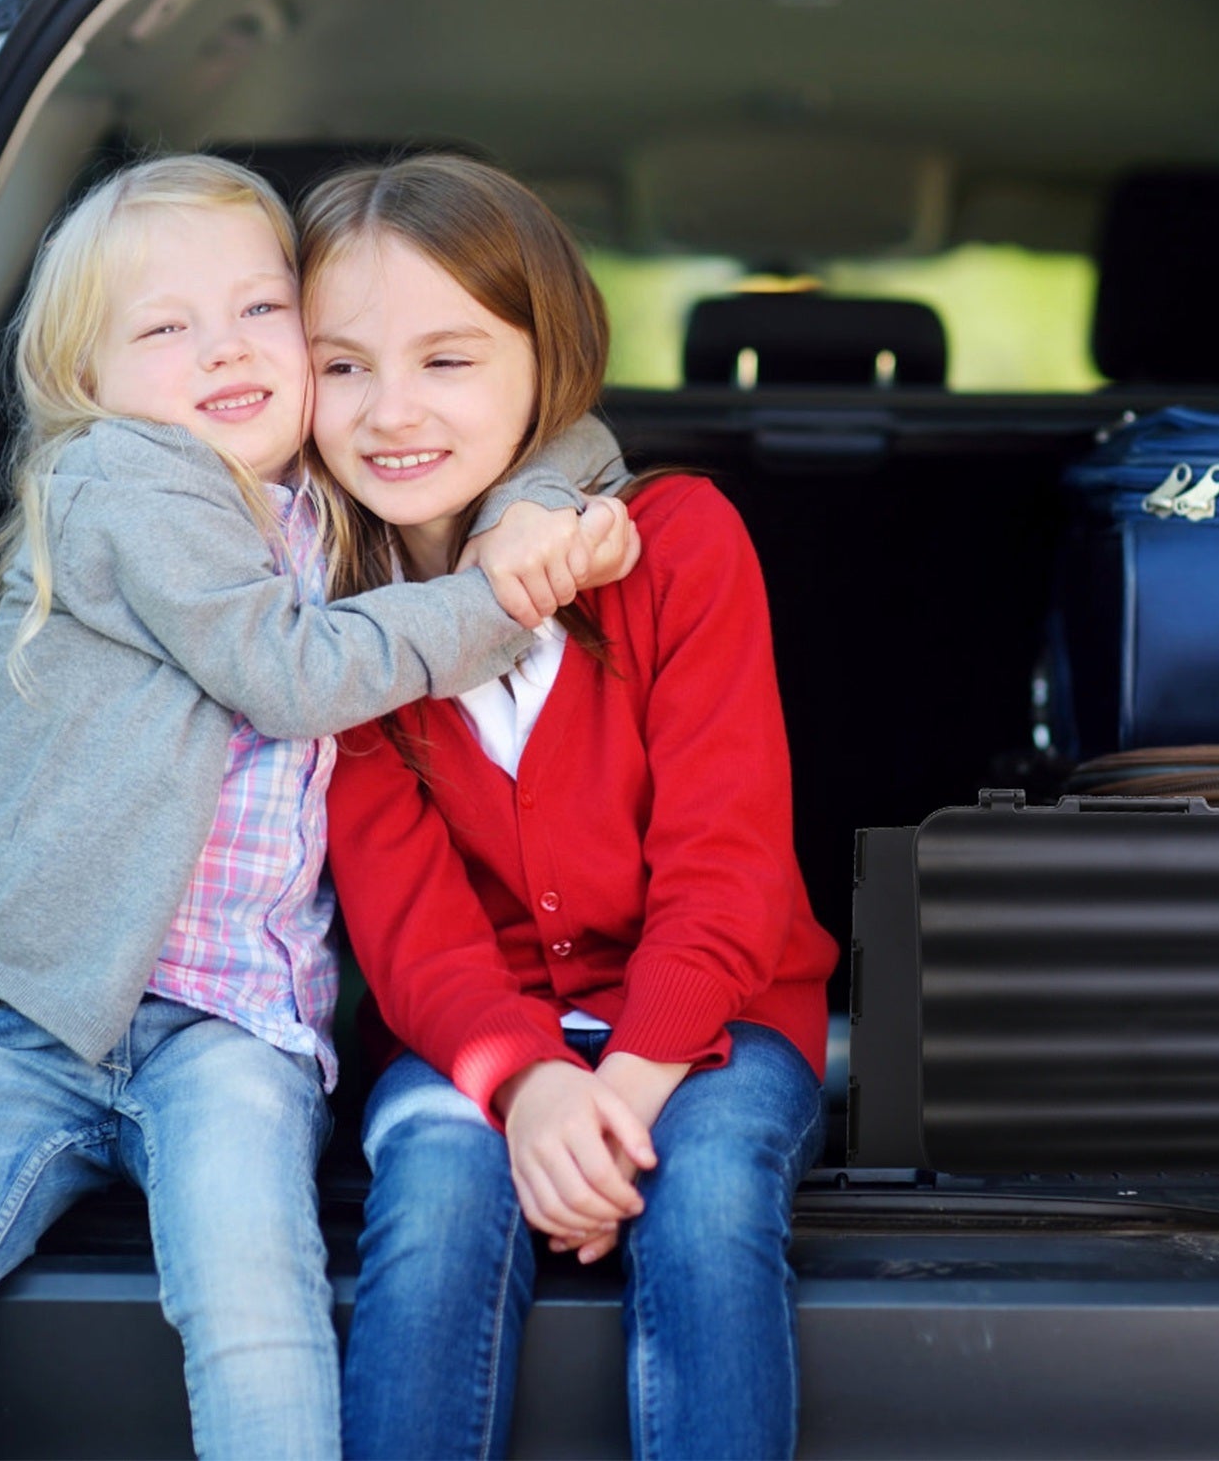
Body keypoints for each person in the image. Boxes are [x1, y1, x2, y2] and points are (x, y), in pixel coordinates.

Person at [0, 153, 636, 1458]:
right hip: (39, 1015)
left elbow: (566, 434)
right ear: (88, 379)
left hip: (235, 1031)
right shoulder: (121, 484)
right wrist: (503, 594)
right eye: (165, 329)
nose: (224, 348)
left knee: (259, 1314)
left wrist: (532, 507)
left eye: (259, 309)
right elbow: (292, 677)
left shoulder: (323, 501)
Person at [304, 151, 838, 1461]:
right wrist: (533, 1088)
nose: (390, 410)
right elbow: (410, 936)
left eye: (448, 358)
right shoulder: (333, 630)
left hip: (719, 1026)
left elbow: (728, 874)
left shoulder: (681, 543)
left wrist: (621, 1098)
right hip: (472, 1035)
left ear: (547, 365)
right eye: (342, 365)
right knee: (435, 1193)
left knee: (706, 1201)